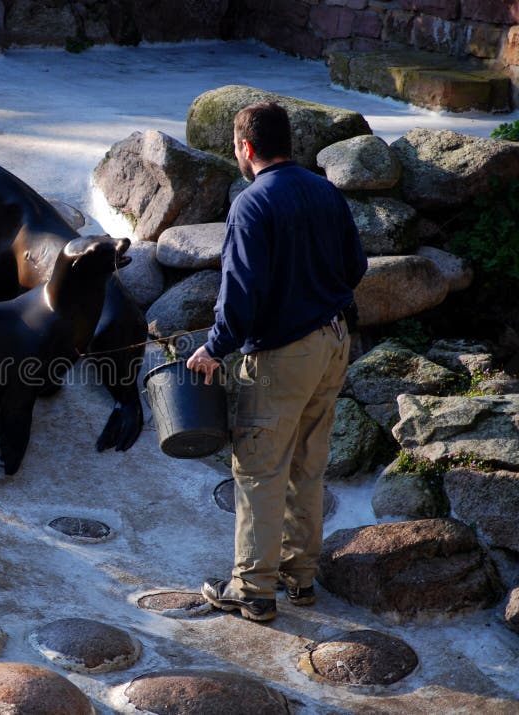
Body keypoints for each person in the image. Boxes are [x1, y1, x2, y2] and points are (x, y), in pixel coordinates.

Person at [186, 101, 368, 622]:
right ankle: (300, 578)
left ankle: (252, 589)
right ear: (288, 143)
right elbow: (355, 267)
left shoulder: (251, 204)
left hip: (283, 355)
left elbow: (239, 296)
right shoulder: (324, 191)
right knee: (307, 467)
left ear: (245, 148)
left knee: (260, 468)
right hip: (334, 343)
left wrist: (214, 347)